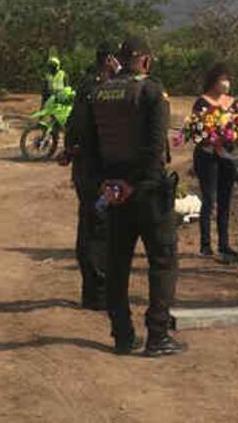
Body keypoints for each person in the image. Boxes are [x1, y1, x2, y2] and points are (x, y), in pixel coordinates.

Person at [77, 36, 185, 356]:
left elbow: (89, 147)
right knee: (163, 263)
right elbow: (154, 148)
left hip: (114, 195)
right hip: (148, 192)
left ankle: (122, 335)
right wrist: (134, 183)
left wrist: (107, 185)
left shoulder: (98, 93)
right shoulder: (152, 91)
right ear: (147, 61)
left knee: (117, 264)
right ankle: (158, 336)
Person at [61, 42, 120, 310]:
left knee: (89, 225)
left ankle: (91, 292)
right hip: (97, 170)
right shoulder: (101, 89)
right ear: (109, 60)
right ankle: (97, 294)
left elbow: (72, 125)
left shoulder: (87, 86)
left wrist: (70, 149)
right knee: (99, 228)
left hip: (85, 168)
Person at [193, 64, 238, 259]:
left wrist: (234, 138)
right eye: (222, 79)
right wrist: (213, 141)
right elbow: (197, 130)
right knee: (209, 199)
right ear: (214, 81)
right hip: (207, 157)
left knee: (225, 200)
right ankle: (205, 245)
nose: (225, 83)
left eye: (227, 79)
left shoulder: (232, 103)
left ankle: (224, 243)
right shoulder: (202, 103)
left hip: (227, 158)